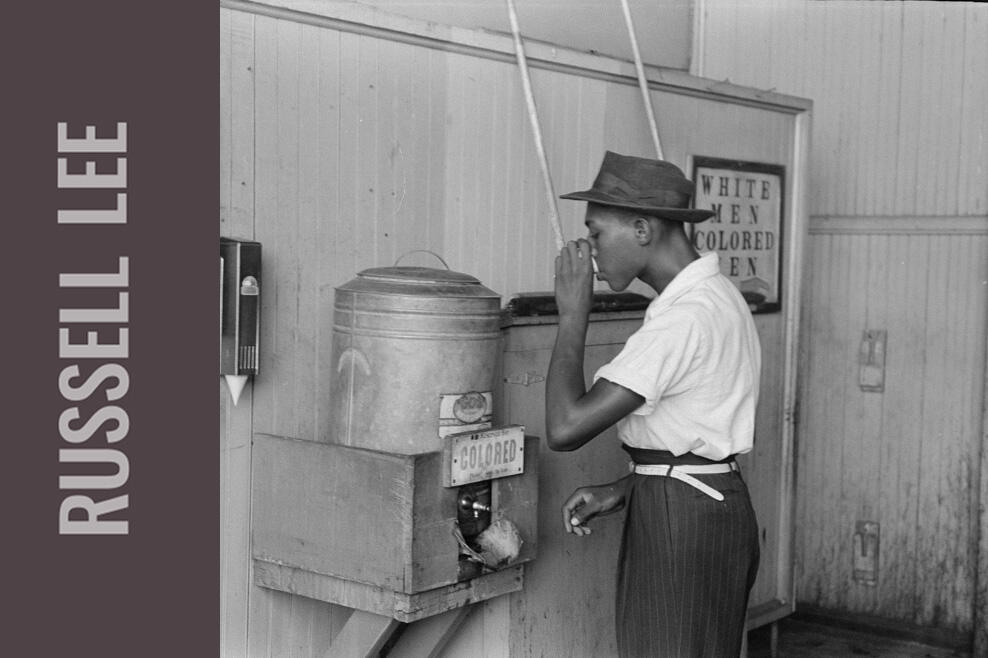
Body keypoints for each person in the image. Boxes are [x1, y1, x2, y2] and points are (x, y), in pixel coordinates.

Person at [546, 151, 761, 657]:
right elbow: (697, 434)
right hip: (707, 502)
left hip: (681, 520)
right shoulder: (717, 296)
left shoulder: (683, 318)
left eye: (596, 233)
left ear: (642, 229)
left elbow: (565, 427)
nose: (591, 250)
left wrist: (573, 314)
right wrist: (627, 488)